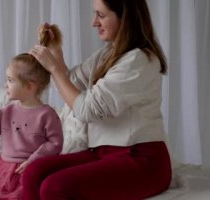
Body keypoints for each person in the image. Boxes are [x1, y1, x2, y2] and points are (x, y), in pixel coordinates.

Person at [24, 0, 172, 199]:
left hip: (141, 159)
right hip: (102, 152)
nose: (94, 22)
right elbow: (72, 84)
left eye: (101, 15)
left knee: (55, 187)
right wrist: (55, 53)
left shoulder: (138, 60)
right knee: (33, 172)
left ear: (125, 18)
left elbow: (87, 110)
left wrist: (54, 69)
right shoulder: (108, 54)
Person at [0, 25, 64, 200]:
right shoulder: (9, 110)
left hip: (31, 168)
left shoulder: (47, 115)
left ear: (29, 86)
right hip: (5, 169)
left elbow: (55, 143)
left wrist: (34, 159)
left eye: (10, 80)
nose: (5, 85)